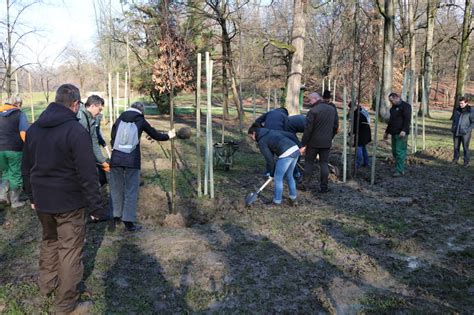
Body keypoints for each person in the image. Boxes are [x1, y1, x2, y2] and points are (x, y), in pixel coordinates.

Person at [22, 84, 102, 314]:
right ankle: (66, 304)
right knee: (69, 250)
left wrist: (31, 196)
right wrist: (96, 206)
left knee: (49, 241)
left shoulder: (34, 128)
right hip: (69, 203)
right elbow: (88, 173)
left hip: (42, 201)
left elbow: (25, 167)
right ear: (75, 104)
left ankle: (47, 285)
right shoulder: (76, 131)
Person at [109, 102, 175, 232]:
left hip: (116, 159)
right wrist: (169, 135)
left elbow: (112, 137)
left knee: (116, 188)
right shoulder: (140, 120)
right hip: (132, 161)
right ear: (141, 110)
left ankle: (115, 217)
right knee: (131, 190)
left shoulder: (119, 118)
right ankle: (128, 222)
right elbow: (155, 135)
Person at [248, 124, 300, 206]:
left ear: (254, 133)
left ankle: (277, 201)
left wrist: (272, 173)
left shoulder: (262, 141)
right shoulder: (270, 131)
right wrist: (299, 146)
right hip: (295, 149)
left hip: (286, 153)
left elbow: (269, 160)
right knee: (289, 175)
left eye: (251, 137)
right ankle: (293, 199)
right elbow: (290, 134)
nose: (252, 139)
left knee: (278, 178)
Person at [76, 95, 111, 221]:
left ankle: (91, 214)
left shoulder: (91, 118)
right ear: (92, 106)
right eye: (99, 109)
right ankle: (92, 215)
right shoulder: (81, 118)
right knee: (90, 184)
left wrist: (102, 161)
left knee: (93, 182)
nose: (100, 112)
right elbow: (82, 142)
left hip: (87, 157)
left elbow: (94, 141)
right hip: (80, 159)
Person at [300, 92, 339, 193]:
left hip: (313, 142)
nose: (309, 102)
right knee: (324, 164)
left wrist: (303, 143)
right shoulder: (332, 109)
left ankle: (304, 185)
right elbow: (335, 126)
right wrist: (330, 137)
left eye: (310, 100)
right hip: (326, 142)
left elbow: (308, 129)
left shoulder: (313, 111)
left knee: (309, 163)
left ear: (315, 99)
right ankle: (324, 187)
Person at [0, 95, 29, 208]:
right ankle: (15, 201)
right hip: (14, 149)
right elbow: (23, 133)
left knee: (5, 173)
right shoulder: (19, 114)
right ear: (17, 104)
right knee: (15, 174)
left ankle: (2, 196)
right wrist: (28, 145)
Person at [383, 92, 412, 177]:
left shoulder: (406, 106)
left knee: (400, 152)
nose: (391, 102)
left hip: (401, 133)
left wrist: (404, 130)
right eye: (390, 101)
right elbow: (391, 121)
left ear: (397, 98)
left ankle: (399, 170)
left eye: (392, 100)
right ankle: (399, 167)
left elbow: (407, 120)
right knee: (395, 152)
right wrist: (387, 132)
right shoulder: (392, 108)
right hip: (393, 132)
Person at [451, 96, 474, 167]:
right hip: (456, 131)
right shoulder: (457, 109)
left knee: (465, 148)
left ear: (466, 103)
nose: (460, 105)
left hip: (465, 133)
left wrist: (467, 130)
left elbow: (473, 122)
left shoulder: (470, 111)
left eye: (462, 103)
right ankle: (455, 160)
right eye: (459, 103)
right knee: (456, 147)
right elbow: (454, 119)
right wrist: (453, 127)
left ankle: (466, 162)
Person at [349, 102, 372, 168]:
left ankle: (357, 164)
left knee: (358, 147)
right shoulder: (361, 110)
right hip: (366, 131)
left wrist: (351, 132)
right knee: (364, 148)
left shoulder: (357, 113)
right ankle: (366, 162)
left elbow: (356, 125)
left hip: (361, 133)